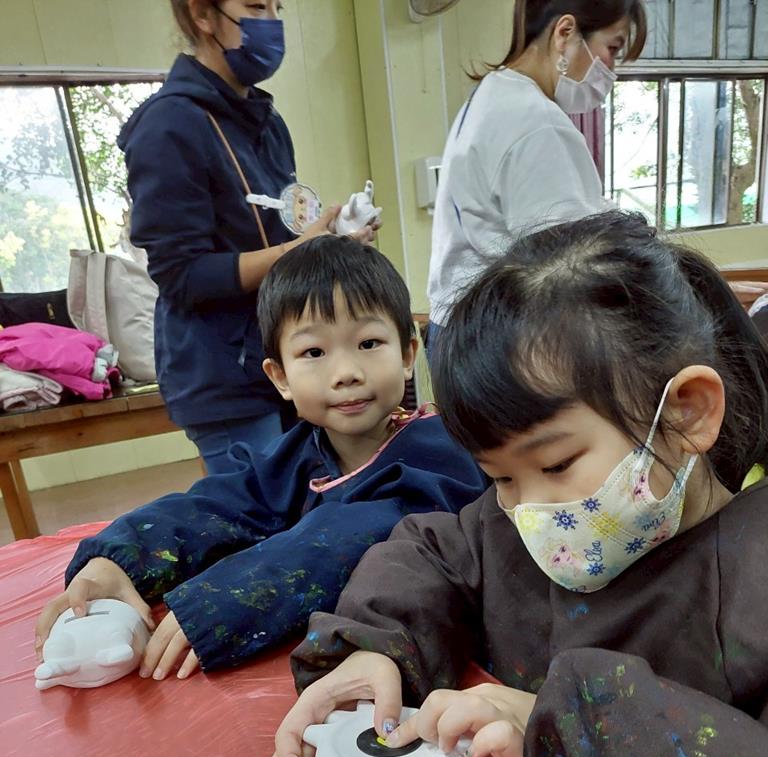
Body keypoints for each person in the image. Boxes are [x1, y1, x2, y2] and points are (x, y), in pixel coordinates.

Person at [244, 212, 768, 757]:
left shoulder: (752, 577)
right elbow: (428, 551)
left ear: (685, 412)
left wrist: (560, 735)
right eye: (500, 477)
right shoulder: (511, 527)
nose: (530, 511)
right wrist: (374, 647)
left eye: (556, 464)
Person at [34, 238, 486, 679]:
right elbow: (223, 502)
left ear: (407, 354)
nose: (347, 373)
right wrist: (118, 558)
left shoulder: (441, 450)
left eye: (368, 343)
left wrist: (222, 599)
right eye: (314, 352)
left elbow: (362, 530)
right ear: (280, 376)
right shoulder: (299, 451)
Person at [119, 0, 374, 473]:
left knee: (313, 500)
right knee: (259, 510)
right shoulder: (169, 124)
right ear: (202, 15)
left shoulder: (266, 123)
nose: (272, 22)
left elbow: (281, 228)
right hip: (225, 379)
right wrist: (296, 251)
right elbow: (182, 274)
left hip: (283, 359)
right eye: (256, 6)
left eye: (278, 7)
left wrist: (330, 242)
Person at [426, 0, 646, 348]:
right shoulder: (535, 121)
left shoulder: (493, 94)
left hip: (459, 327)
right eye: (613, 48)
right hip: (492, 338)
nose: (611, 70)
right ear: (565, 33)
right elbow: (570, 269)